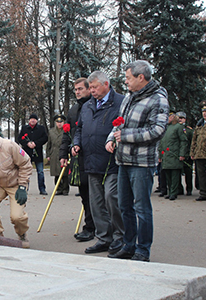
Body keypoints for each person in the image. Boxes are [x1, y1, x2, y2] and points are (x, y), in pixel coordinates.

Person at [105, 60, 169, 262]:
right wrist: (111, 138)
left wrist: (124, 136)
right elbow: (119, 123)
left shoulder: (158, 99)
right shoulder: (130, 98)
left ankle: (143, 249)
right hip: (123, 160)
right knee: (124, 205)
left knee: (142, 208)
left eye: (128, 78)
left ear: (141, 77)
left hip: (142, 163)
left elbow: (157, 131)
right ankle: (129, 244)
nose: (126, 82)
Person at [73, 71, 124, 254]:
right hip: (91, 159)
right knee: (96, 202)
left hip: (112, 160)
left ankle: (120, 237)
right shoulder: (87, 106)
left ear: (106, 84)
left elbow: (123, 126)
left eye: (94, 87)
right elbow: (79, 129)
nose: (92, 91)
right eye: (91, 87)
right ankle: (104, 238)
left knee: (112, 198)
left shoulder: (121, 102)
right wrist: (76, 143)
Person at [59, 78, 96, 242]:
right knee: (85, 194)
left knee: (99, 196)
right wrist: (62, 154)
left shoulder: (96, 105)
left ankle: (102, 227)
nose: (78, 92)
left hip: (95, 157)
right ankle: (89, 227)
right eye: (75, 89)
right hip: (78, 158)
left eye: (80, 89)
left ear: (89, 89)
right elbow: (67, 135)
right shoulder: (73, 110)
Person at [158, 112, 188, 200]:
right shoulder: (166, 128)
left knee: (174, 174)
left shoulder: (179, 127)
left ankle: (174, 192)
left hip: (174, 154)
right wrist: (160, 155)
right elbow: (162, 142)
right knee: (167, 174)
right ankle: (170, 191)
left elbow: (183, 141)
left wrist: (182, 154)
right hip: (166, 155)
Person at [18, 114, 48, 195]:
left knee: (40, 172)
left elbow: (45, 138)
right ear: (29, 120)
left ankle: (42, 189)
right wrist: (27, 143)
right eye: (31, 119)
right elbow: (20, 138)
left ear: (37, 120)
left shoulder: (41, 128)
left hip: (38, 153)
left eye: (34, 119)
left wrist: (36, 143)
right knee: (26, 172)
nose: (33, 120)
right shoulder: (24, 128)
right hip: (27, 154)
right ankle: (25, 188)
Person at [47, 114, 69, 196]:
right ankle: (58, 189)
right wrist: (48, 154)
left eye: (61, 122)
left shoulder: (66, 130)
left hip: (64, 152)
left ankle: (65, 189)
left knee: (65, 172)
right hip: (54, 153)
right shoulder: (51, 131)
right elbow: (49, 143)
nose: (59, 124)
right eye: (57, 122)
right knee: (56, 172)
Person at [177, 111, 194, 196]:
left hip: (187, 155)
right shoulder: (174, 128)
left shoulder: (188, 131)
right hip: (177, 154)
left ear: (185, 119)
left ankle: (189, 189)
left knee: (188, 173)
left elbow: (192, 142)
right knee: (177, 173)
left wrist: (191, 153)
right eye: (178, 118)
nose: (180, 119)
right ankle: (179, 189)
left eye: (182, 118)